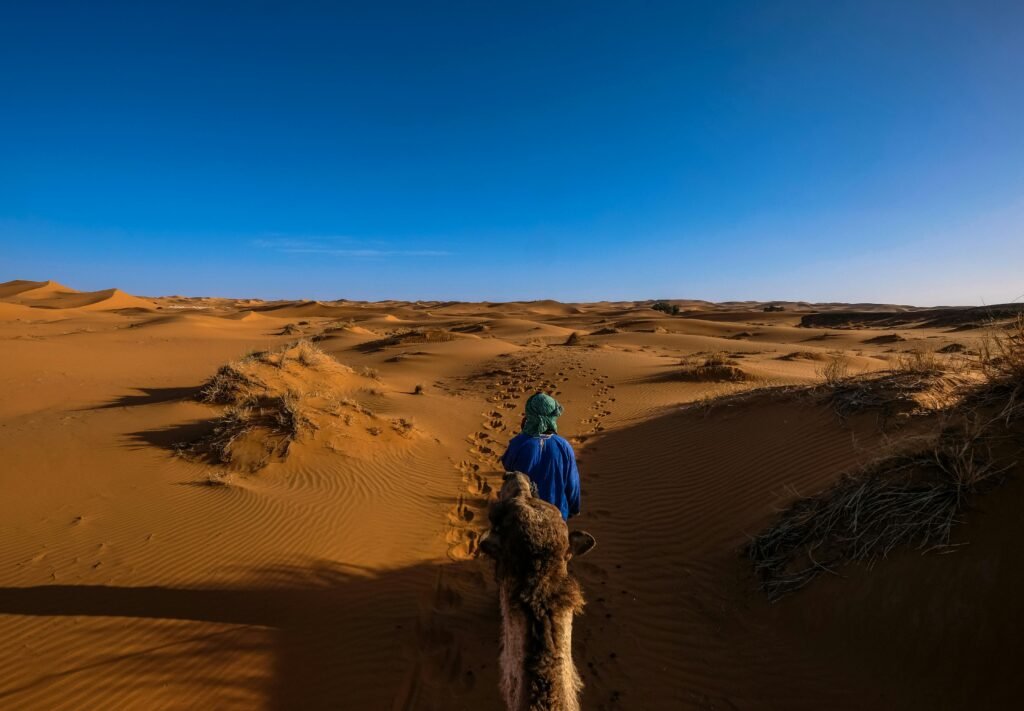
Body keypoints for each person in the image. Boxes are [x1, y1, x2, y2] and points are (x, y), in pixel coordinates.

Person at [500, 392, 581, 520]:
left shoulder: (518, 443)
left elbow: (508, 467)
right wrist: (574, 508)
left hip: (523, 516)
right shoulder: (564, 446)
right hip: (556, 515)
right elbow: (572, 483)